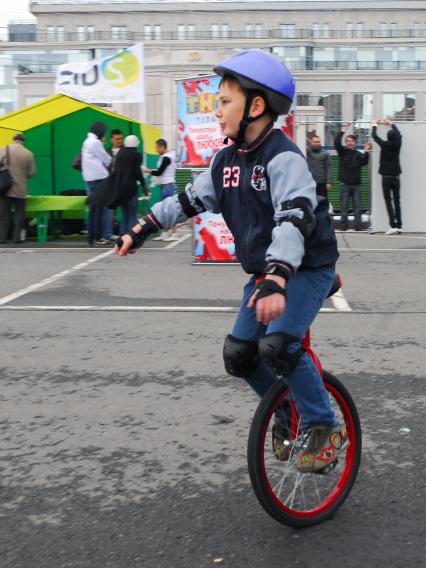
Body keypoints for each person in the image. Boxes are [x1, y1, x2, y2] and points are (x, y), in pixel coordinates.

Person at [114, 49, 347, 474]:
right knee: (240, 355)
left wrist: (277, 277)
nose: (216, 111)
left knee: (279, 345)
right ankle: (285, 412)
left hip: (305, 268)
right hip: (268, 273)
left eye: (224, 102)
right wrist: (141, 228)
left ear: (256, 106)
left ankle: (322, 424)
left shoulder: (284, 157)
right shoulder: (226, 161)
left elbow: (294, 219)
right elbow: (186, 201)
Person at [334, 124, 371, 231]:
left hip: (356, 185)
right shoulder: (342, 152)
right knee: (344, 207)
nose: (350, 143)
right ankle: (343, 226)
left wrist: (367, 151)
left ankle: (358, 226)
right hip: (344, 184)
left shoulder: (359, 154)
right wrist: (342, 130)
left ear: (355, 142)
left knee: (357, 208)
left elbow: (365, 161)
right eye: (348, 141)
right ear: (346, 143)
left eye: (352, 141)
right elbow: (336, 142)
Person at [0, 133, 36, 244]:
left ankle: (2, 238)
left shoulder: (3, 149)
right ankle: (16, 238)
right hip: (21, 189)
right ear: (23, 141)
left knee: (3, 215)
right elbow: (32, 173)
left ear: (13, 140)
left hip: (5, 188)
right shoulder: (29, 154)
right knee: (19, 215)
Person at [81, 121, 112, 246]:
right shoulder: (95, 142)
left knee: (93, 209)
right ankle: (97, 236)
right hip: (99, 179)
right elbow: (107, 159)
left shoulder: (86, 141)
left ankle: (91, 236)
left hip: (89, 179)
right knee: (99, 209)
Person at [371, 119, 402, 235]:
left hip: (386, 177)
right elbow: (400, 135)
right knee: (397, 201)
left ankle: (392, 225)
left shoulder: (384, 144)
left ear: (388, 137)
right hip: (396, 176)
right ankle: (399, 225)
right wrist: (392, 124)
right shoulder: (398, 144)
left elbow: (374, 136)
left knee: (388, 201)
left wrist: (374, 124)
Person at [113, 134, 149, 233]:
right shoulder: (136, 155)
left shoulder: (120, 153)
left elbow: (115, 170)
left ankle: (122, 238)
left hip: (120, 191)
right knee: (132, 215)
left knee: (125, 215)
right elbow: (138, 173)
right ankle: (130, 239)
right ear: (135, 145)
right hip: (131, 190)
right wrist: (144, 186)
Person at [145, 139, 178, 242]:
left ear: (162, 147)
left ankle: (174, 233)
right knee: (164, 212)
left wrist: (148, 170)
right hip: (164, 187)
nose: (156, 150)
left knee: (171, 211)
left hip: (169, 187)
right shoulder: (164, 157)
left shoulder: (167, 158)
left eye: (157, 148)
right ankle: (165, 233)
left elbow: (159, 172)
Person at [306, 135, 333, 200]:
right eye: (314, 142)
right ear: (311, 142)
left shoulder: (325, 153)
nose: (316, 144)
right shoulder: (306, 151)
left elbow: (329, 168)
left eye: (318, 142)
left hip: (322, 183)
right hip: (309, 182)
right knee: (310, 201)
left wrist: (329, 182)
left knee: (322, 201)